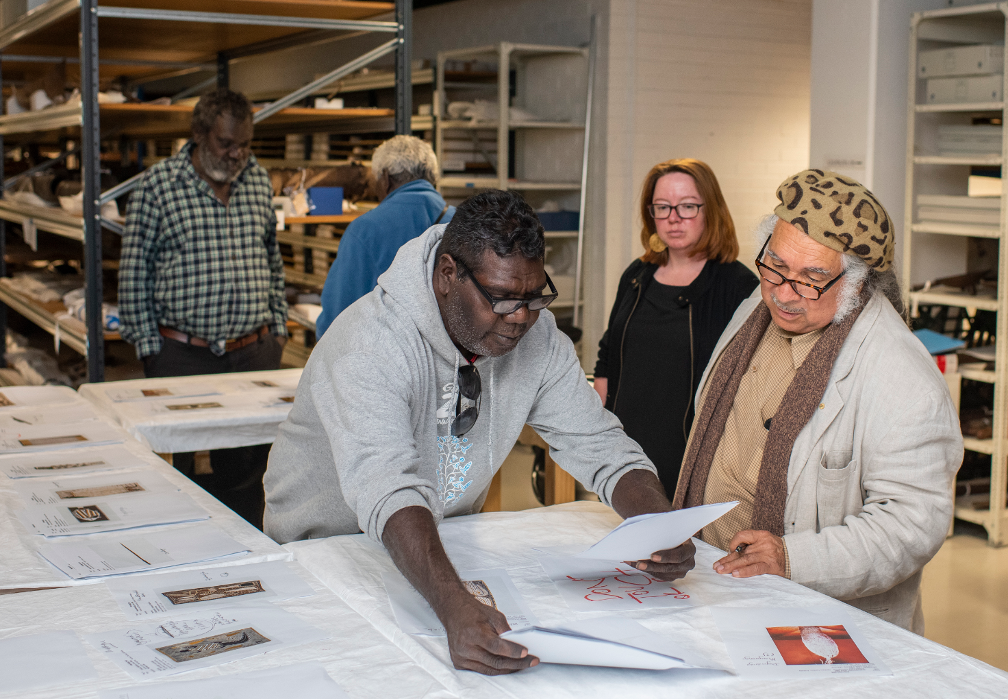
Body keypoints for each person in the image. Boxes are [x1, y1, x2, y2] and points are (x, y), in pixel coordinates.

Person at [264, 190, 696, 674]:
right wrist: (454, 606)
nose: (520, 318)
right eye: (503, 299)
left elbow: (597, 442)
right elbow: (387, 486)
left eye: (534, 298)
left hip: (432, 545)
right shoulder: (371, 342)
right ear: (448, 275)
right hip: (323, 554)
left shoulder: (536, 336)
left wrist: (657, 523)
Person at [672, 169, 962, 633]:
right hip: (710, 583)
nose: (784, 293)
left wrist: (792, 559)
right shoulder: (756, 308)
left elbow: (912, 523)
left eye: (812, 279)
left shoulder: (902, 374)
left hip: (817, 621)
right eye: (775, 266)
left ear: (856, 282)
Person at [118, 88, 287, 529]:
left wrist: (278, 329)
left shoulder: (256, 180)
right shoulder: (158, 186)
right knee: (179, 474)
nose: (237, 154)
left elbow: (272, 258)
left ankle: (248, 545)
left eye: (244, 144)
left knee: (250, 469)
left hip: (253, 351)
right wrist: (150, 349)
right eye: (226, 143)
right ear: (198, 134)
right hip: (181, 354)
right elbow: (134, 272)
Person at [594, 159, 758, 496]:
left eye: (687, 206)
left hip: (692, 455)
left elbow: (750, 381)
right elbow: (609, 352)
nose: (673, 218)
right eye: (662, 207)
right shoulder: (637, 275)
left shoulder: (738, 286)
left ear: (711, 210)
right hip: (626, 448)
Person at [315, 135, 454, 336]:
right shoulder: (461, 223)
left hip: (386, 352)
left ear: (386, 179)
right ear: (432, 178)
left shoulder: (364, 230)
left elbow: (337, 318)